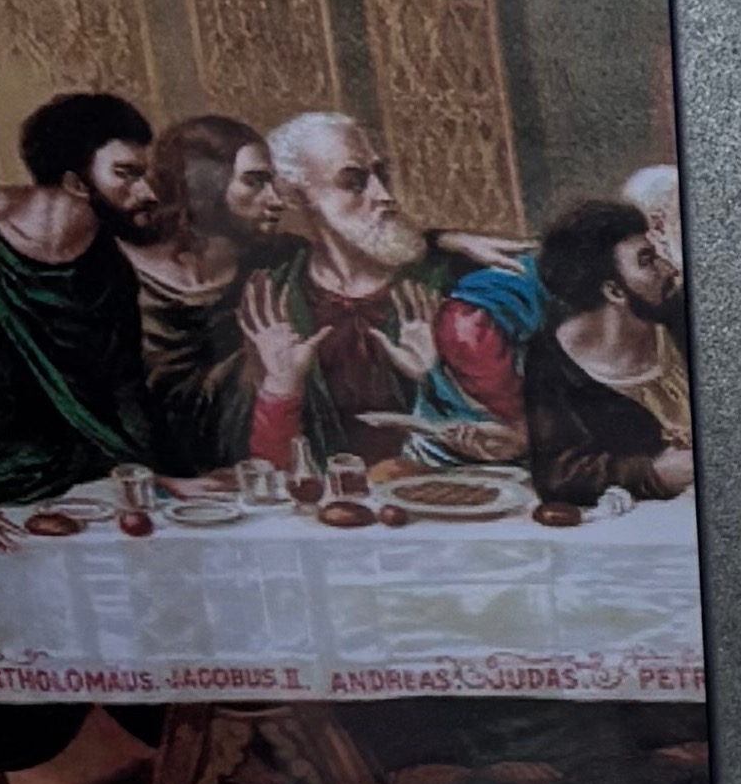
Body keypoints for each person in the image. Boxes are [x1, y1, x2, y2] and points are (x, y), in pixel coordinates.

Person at [0, 88, 162, 784]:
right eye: (129, 175)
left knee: (114, 574)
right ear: (77, 180)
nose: (147, 191)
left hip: (66, 471)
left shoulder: (103, 269)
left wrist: (150, 477)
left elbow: (120, 390)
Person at [240, 113, 526, 480]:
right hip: (330, 506)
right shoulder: (274, 298)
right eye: (354, 182)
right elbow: (266, 471)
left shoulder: (451, 283)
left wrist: (434, 378)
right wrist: (280, 389)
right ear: (297, 195)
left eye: (382, 175)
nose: (385, 196)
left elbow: (516, 440)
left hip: (450, 499)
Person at [124, 111, 284, 471]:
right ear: (204, 185)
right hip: (150, 478)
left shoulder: (277, 265)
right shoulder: (121, 273)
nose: (276, 200)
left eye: (272, 183)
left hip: (250, 472)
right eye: (255, 182)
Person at [518, 195, 693, 501]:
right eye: (647, 262)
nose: (669, 270)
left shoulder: (680, 317)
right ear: (614, 291)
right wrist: (651, 474)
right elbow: (557, 473)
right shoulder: (554, 363)